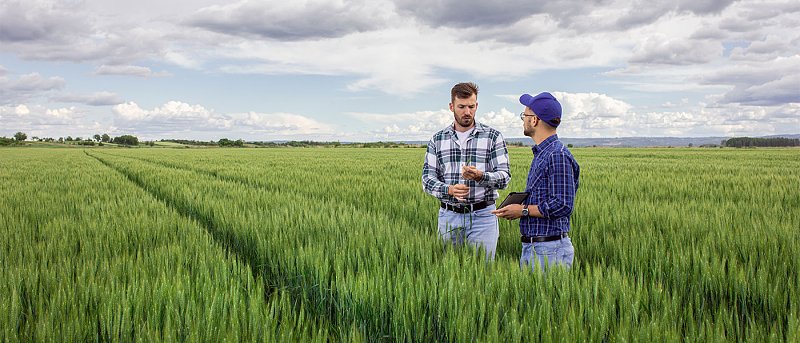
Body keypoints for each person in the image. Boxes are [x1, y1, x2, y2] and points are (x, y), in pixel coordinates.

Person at [422, 82, 511, 260]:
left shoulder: (493, 136)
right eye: (461, 107)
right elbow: (427, 179)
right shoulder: (438, 139)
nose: (467, 112)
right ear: (451, 106)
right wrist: (449, 190)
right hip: (449, 216)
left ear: (476, 105)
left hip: (483, 216)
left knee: (483, 274)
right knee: (448, 273)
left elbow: (504, 177)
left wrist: (481, 176)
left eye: (471, 106)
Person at [492, 92, 580, 271]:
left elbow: (563, 204)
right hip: (537, 248)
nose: (523, 120)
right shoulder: (544, 153)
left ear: (535, 120)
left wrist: (522, 210)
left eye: (525, 115)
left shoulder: (556, 155)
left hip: (549, 250)